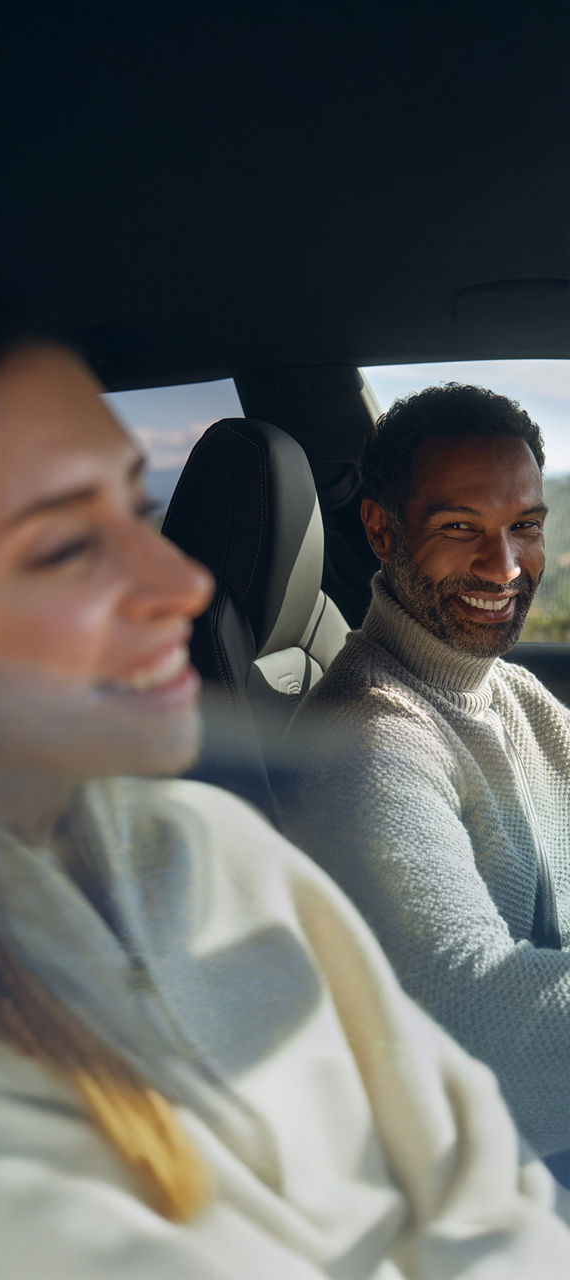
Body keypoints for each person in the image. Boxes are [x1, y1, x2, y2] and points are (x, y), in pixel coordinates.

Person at [0, 294, 569, 1280]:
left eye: (135, 511)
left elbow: (477, 1169)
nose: (186, 585)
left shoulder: (190, 839)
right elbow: (484, 1046)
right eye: (65, 545)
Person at [284, 383, 570, 1180]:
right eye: (460, 528)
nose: (505, 566)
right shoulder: (370, 740)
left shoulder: (503, 691)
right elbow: (479, 1018)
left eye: (525, 527)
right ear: (381, 529)